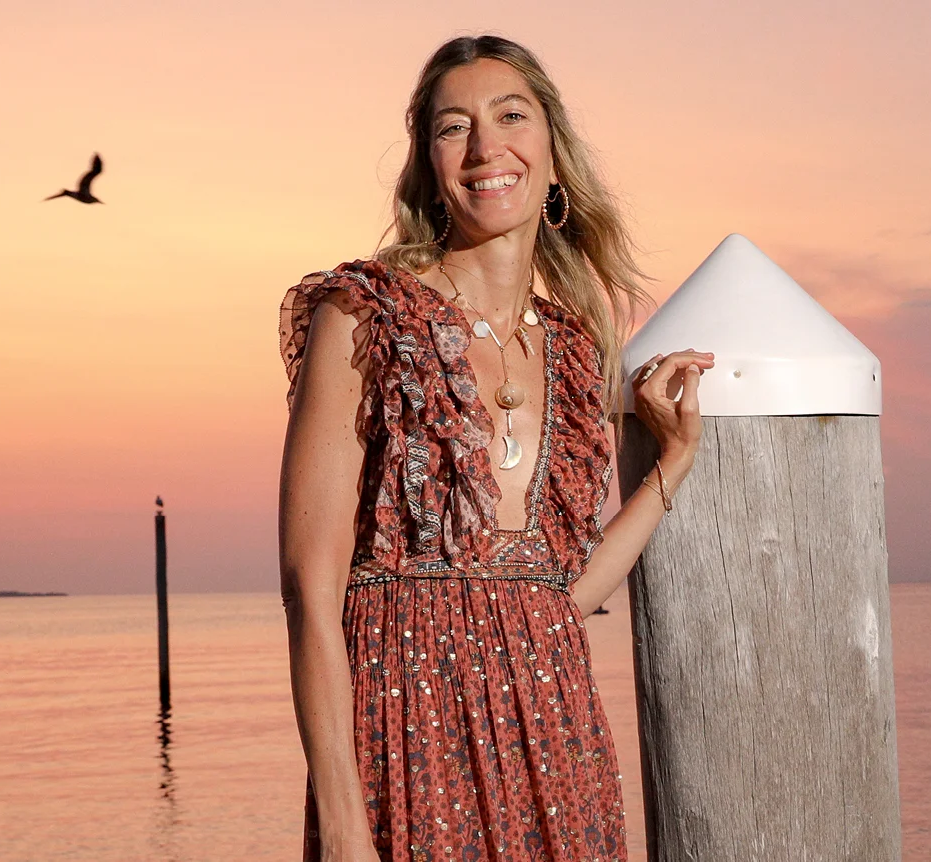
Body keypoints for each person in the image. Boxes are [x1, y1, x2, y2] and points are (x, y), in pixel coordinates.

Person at [278, 34, 714, 862]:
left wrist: (674, 465)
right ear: (429, 164)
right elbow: (310, 587)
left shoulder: (575, 351)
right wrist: (342, 825)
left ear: (552, 151)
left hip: (557, 745)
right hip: (404, 739)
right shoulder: (368, 318)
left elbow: (559, 596)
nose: (485, 147)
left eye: (510, 116)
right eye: (454, 127)